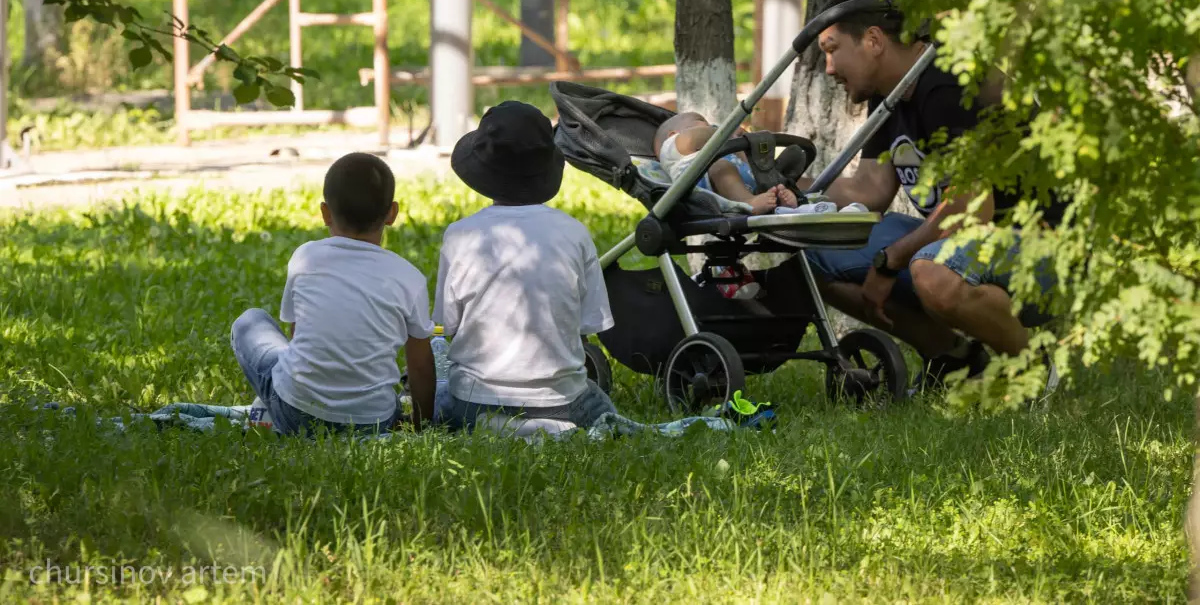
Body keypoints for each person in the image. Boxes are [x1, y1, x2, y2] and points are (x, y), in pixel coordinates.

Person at [796, 0, 1070, 389]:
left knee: (933, 271)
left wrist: (890, 261)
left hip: (1047, 247)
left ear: (873, 40)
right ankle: (957, 360)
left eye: (832, 50)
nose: (830, 69)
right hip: (976, 243)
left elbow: (971, 211)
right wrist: (788, 189)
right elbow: (869, 189)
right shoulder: (888, 95)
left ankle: (1030, 369)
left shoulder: (949, 83)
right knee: (813, 253)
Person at [434, 100, 617, 432]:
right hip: (563, 402)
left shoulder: (460, 236)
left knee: (441, 394)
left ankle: (503, 426)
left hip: (476, 401)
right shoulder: (574, 233)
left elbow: (446, 325)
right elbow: (589, 322)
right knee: (599, 403)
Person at [229, 152, 438, 436]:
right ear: (392, 213)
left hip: (296, 414)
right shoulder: (409, 277)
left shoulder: (305, 257)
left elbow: (296, 333)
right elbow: (421, 363)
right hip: (374, 419)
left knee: (250, 322)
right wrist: (419, 423)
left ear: (325, 212)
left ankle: (271, 409)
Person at [653, 112, 797, 215]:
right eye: (702, 124)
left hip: (745, 184)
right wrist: (723, 132)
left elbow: (744, 159)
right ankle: (749, 203)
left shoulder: (718, 149)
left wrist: (742, 141)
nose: (710, 127)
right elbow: (693, 138)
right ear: (673, 135)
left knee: (763, 164)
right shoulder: (672, 149)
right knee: (720, 166)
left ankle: (780, 192)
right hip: (708, 188)